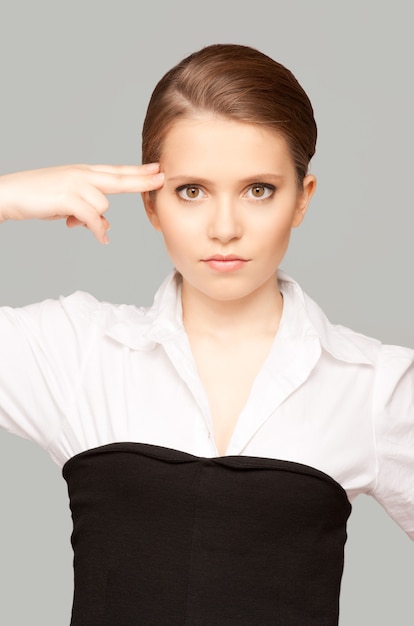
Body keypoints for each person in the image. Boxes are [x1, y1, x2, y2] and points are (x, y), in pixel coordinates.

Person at [0, 43, 412, 625]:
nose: (225, 228)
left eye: (259, 190)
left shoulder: (374, 385)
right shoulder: (77, 354)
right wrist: (5, 197)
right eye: (191, 190)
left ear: (302, 200)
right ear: (151, 201)